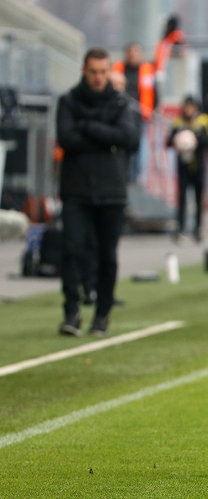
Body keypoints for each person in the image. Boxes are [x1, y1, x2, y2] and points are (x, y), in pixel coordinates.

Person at [56, 48, 140, 337]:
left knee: (107, 255)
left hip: (111, 190)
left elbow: (129, 138)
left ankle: (102, 313)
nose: (98, 77)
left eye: (103, 72)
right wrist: (107, 137)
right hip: (76, 189)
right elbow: (66, 138)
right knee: (72, 250)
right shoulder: (68, 101)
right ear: (84, 70)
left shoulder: (120, 102)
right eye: (93, 71)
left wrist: (88, 127)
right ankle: (71, 311)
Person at [168, 96, 208, 242]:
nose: (188, 110)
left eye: (191, 106)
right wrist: (179, 139)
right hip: (182, 166)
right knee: (182, 198)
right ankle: (181, 228)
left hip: (198, 165)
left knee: (198, 198)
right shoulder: (178, 121)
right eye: (186, 106)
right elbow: (169, 141)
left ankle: (197, 228)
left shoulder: (204, 120)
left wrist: (195, 139)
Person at [112, 43, 154, 181]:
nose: (133, 55)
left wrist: (149, 111)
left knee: (139, 145)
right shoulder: (118, 69)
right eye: (130, 52)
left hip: (140, 116)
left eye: (136, 52)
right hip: (119, 114)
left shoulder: (147, 70)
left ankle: (136, 176)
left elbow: (154, 93)